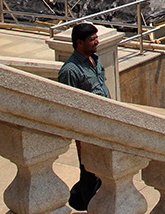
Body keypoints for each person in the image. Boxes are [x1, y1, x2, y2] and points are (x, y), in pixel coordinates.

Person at [58, 23, 107, 210]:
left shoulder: (95, 59)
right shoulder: (70, 71)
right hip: (88, 131)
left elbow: (102, 86)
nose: (97, 42)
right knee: (89, 173)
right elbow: (69, 108)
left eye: (96, 38)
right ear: (79, 43)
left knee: (102, 172)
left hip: (104, 125)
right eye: (92, 39)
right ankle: (86, 205)